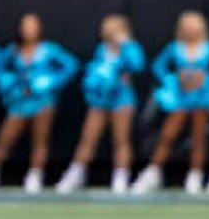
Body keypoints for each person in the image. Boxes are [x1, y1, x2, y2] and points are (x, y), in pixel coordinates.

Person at [0, 13, 77, 193]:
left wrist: (49, 82)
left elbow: (71, 66)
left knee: (40, 140)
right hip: (20, 102)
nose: (30, 30)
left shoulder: (49, 49)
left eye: (33, 26)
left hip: (43, 101)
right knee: (4, 139)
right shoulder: (13, 51)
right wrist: (9, 82)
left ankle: (35, 175)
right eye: (26, 26)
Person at [58, 14, 144, 194]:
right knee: (88, 138)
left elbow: (137, 65)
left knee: (121, 140)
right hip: (99, 100)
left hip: (122, 100)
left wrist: (125, 45)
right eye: (105, 27)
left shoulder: (130, 47)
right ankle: (76, 174)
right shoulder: (101, 49)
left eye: (111, 27)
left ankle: (121, 178)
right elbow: (96, 71)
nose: (106, 31)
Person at [132, 10, 209, 194]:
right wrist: (175, 79)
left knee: (199, 139)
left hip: (202, 98)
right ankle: (153, 173)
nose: (191, 29)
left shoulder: (208, 48)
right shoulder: (175, 48)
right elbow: (158, 67)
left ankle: (196, 176)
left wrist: (205, 79)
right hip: (181, 99)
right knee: (167, 135)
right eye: (188, 25)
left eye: (195, 25)